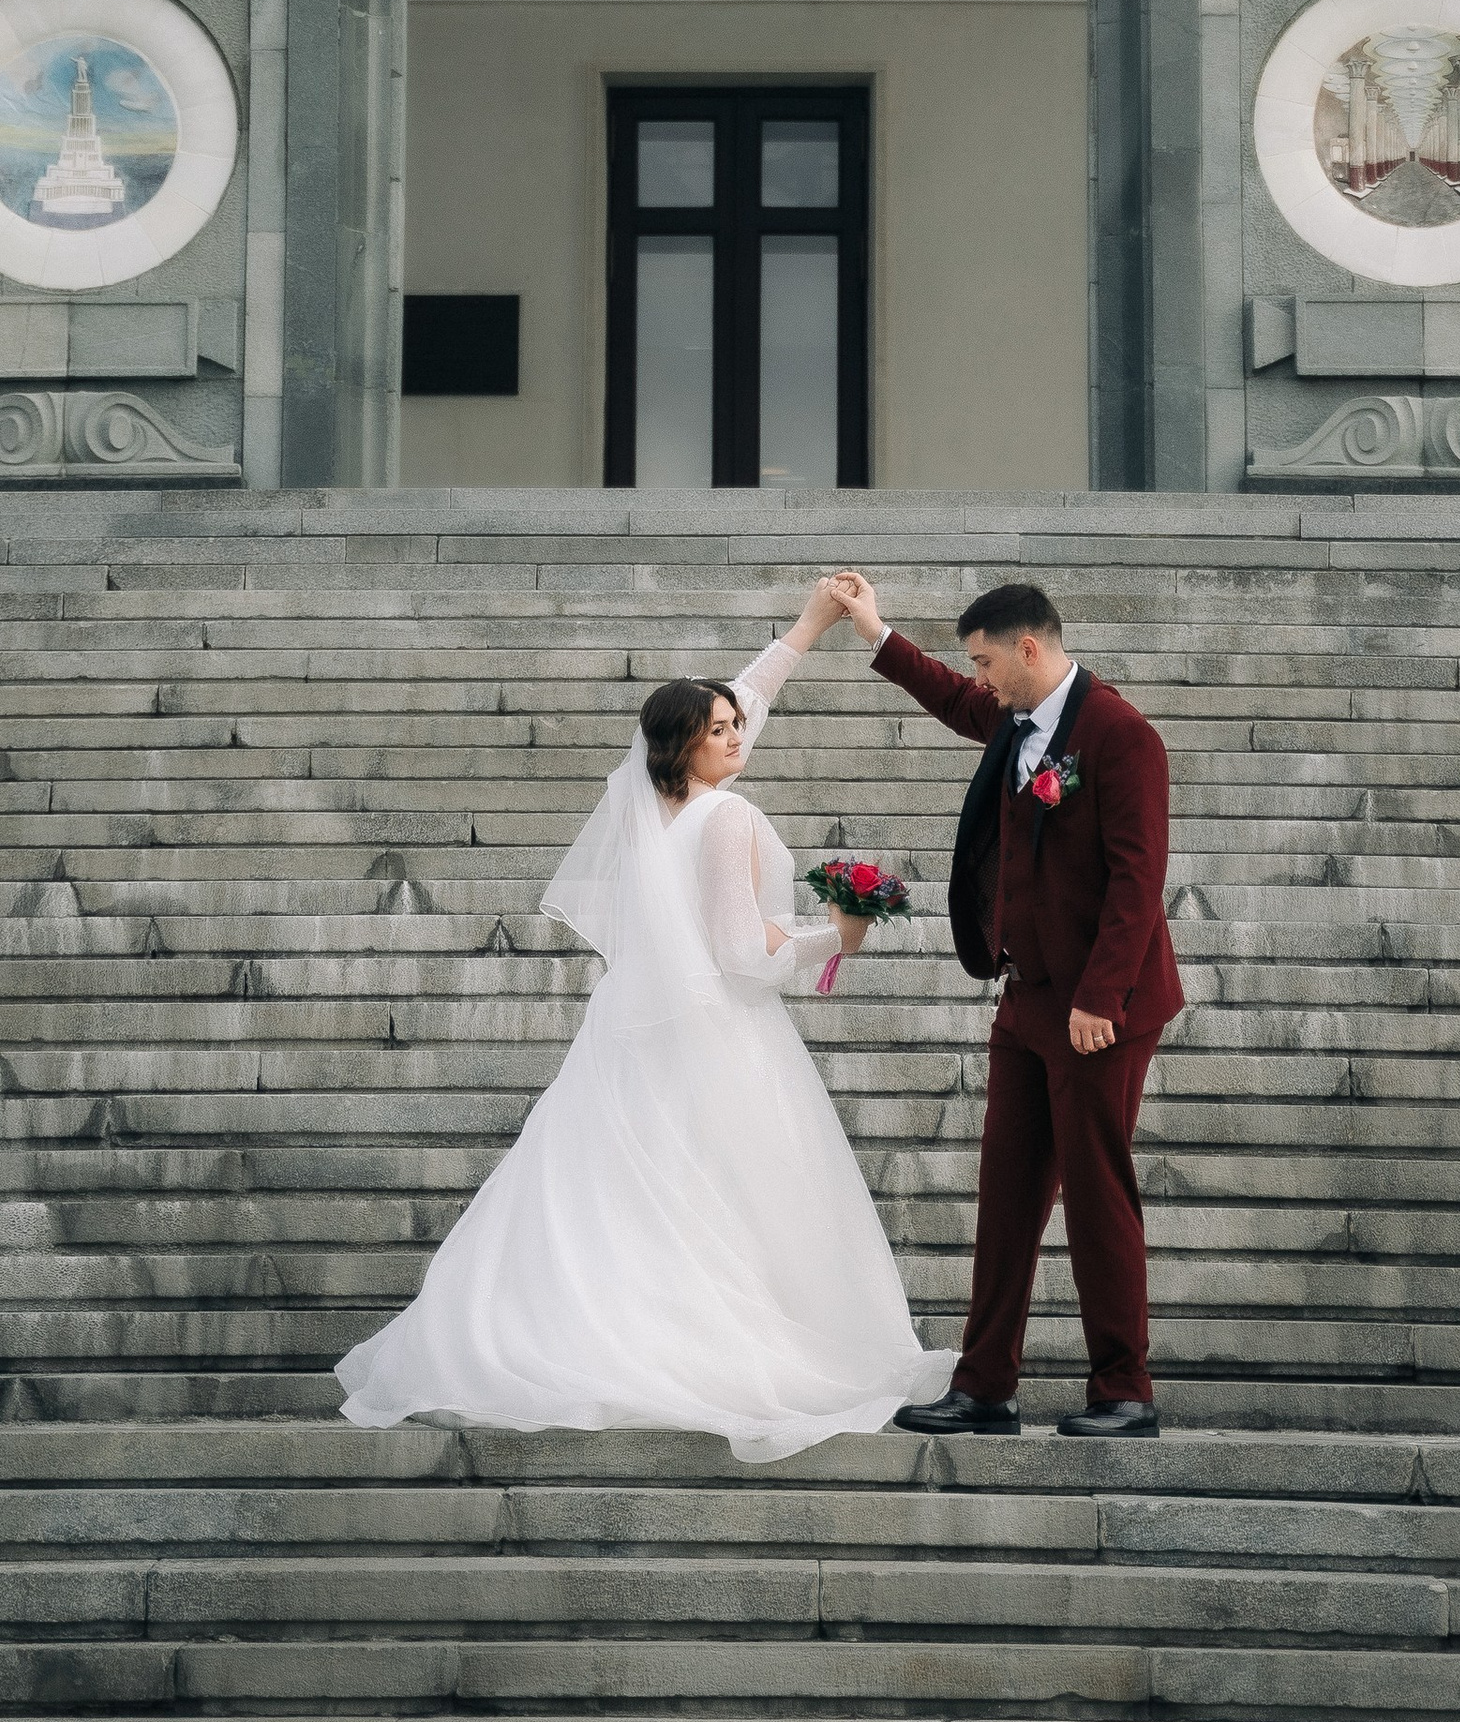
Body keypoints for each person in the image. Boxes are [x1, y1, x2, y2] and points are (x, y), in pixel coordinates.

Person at [333, 576, 950, 1463]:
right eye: (721, 731)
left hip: (636, 1034)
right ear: (687, 746)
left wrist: (808, 628)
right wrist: (836, 936)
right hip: (720, 1033)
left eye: (737, 726)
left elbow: (747, 697)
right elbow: (745, 956)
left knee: (634, 1188)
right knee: (733, 1194)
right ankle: (709, 1347)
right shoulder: (728, 815)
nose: (738, 736)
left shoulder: (654, 807)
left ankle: (595, 1333)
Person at [826, 569, 1181, 1439]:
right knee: (1007, 1193)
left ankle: (1122, 1392)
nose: (978, 677)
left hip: (1105, 1009)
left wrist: (1099, 997)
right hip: (1025, 1000)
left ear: (1031, 648)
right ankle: (985, 1387)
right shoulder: (1014, 720)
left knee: (1099, 1194)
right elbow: (950, 699)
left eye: (986, 660)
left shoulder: (1120, 735)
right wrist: (873, 630)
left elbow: (1139, 880)